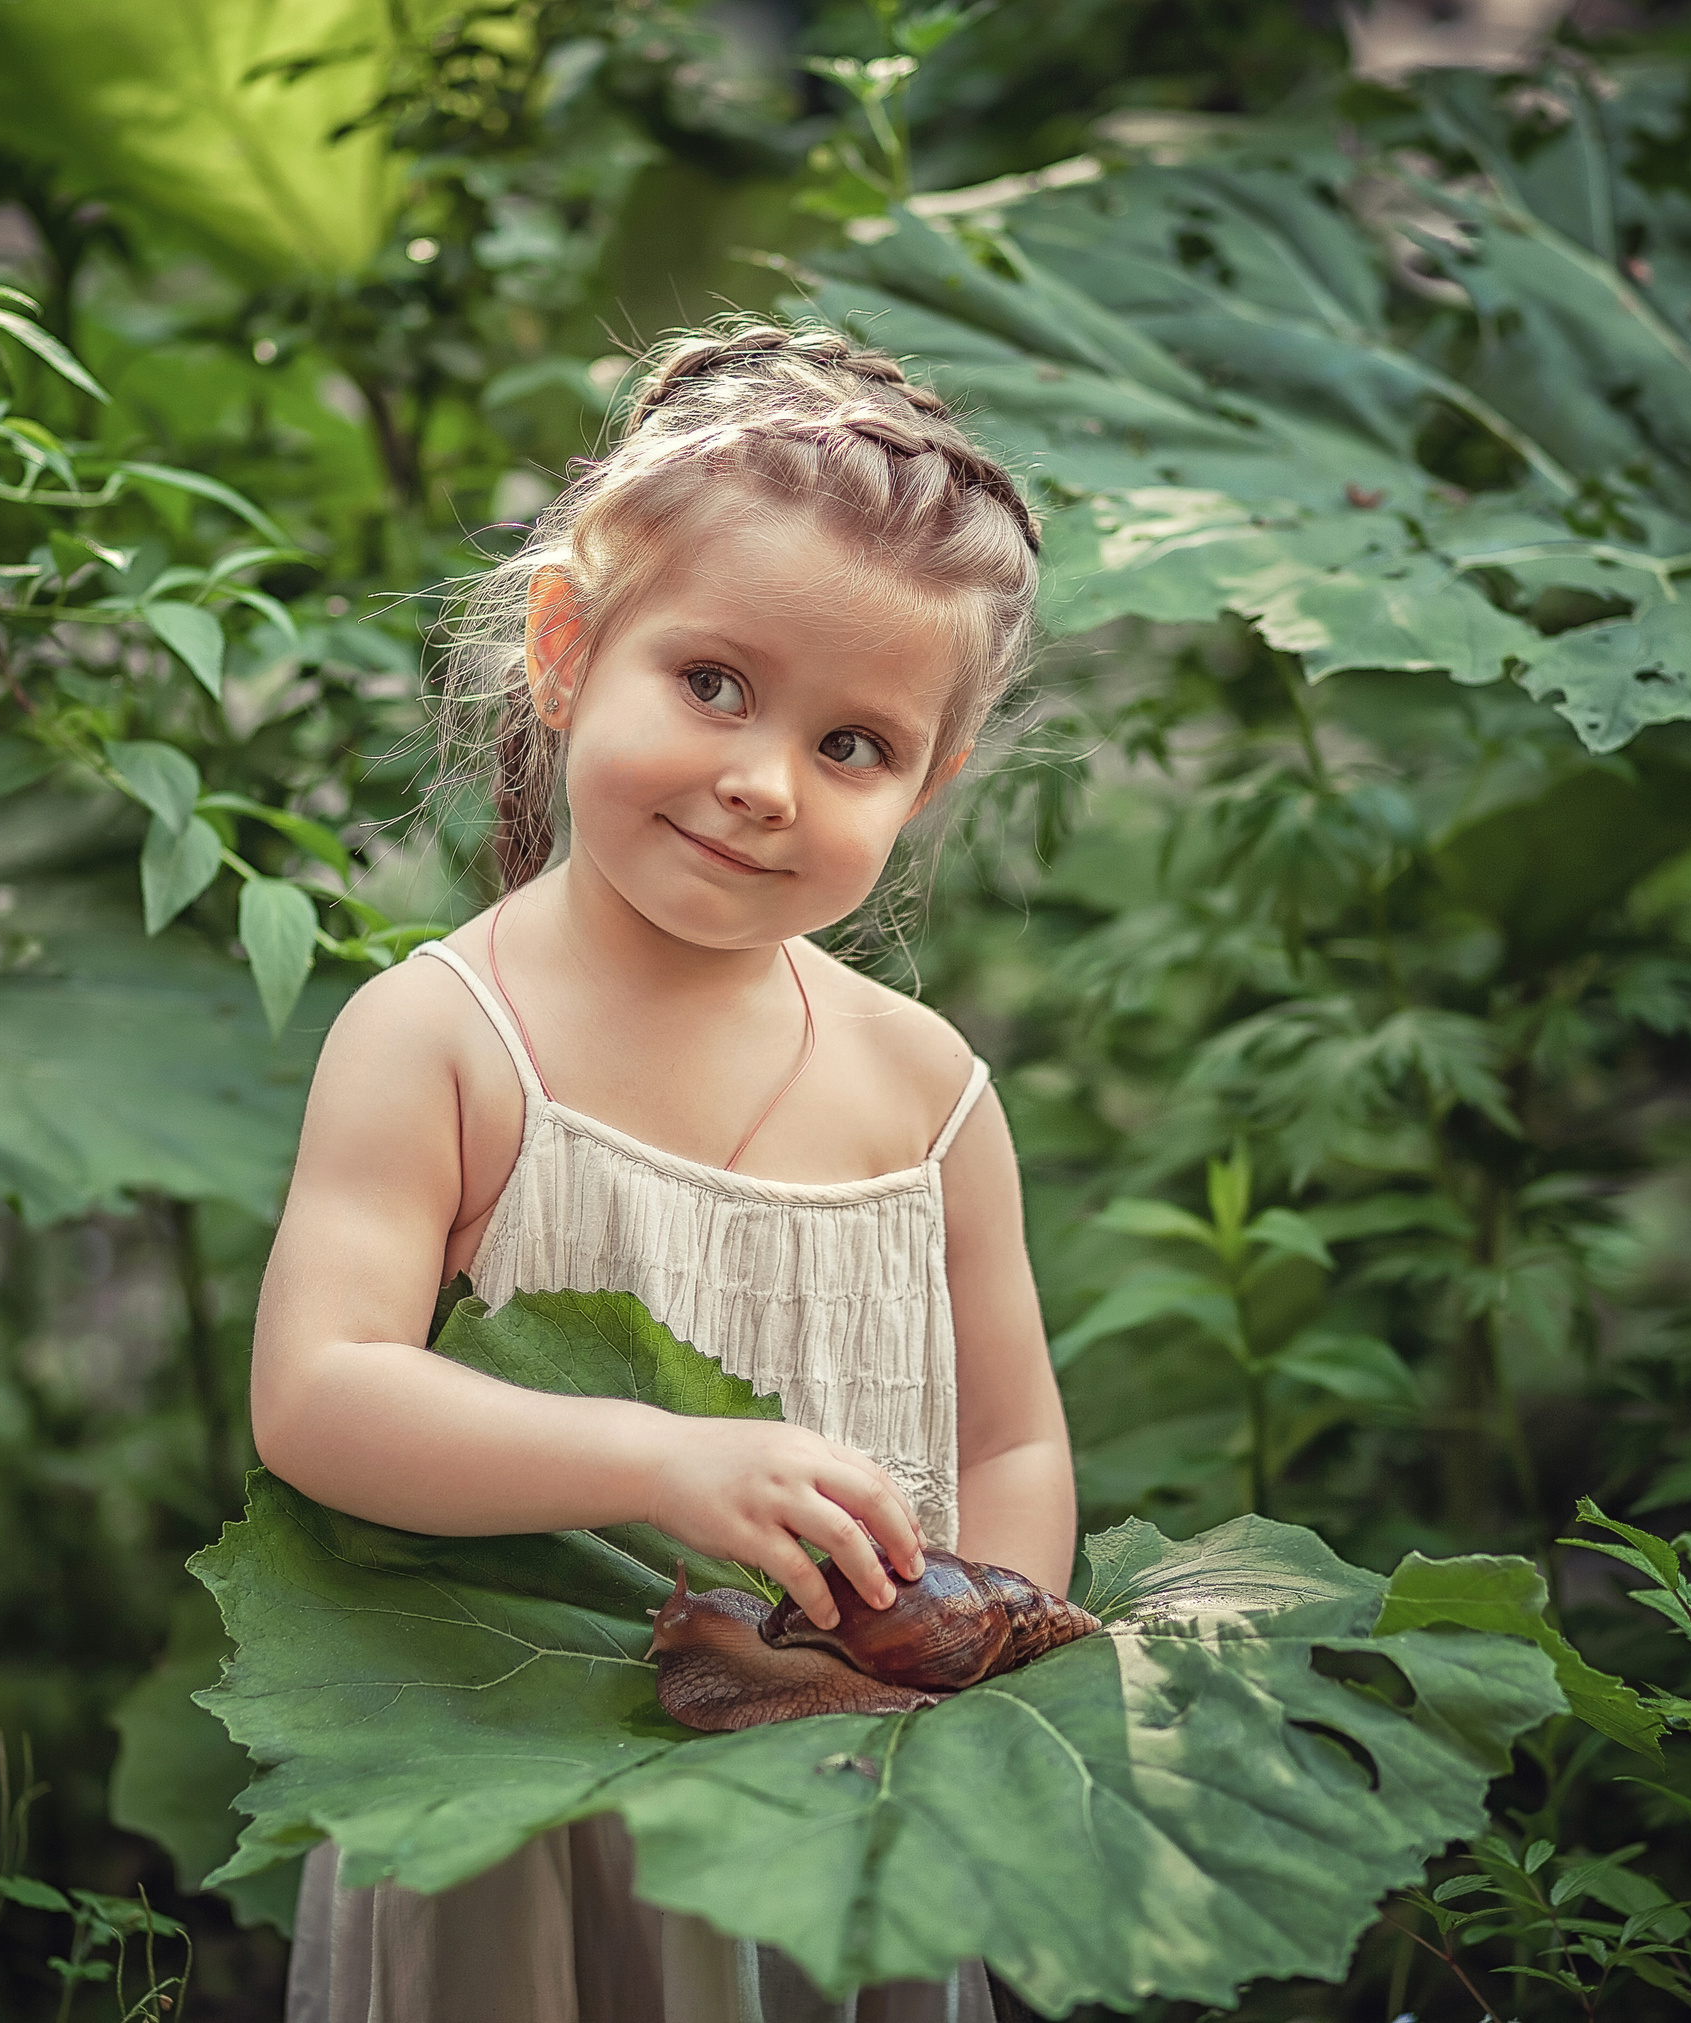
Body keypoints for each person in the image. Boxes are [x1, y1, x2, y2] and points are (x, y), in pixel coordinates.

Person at [251, 318, 1074, 2023]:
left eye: (856, 747)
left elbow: (1009, 1434)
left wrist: (995, 1655)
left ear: (930, 786)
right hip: (530, 1792)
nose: (765, 782)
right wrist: (654, 1457)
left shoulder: (929, 1096)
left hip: (848, 1799)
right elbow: (318, 1396)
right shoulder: (450, 1039)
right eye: (713, 684)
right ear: (565, 647)